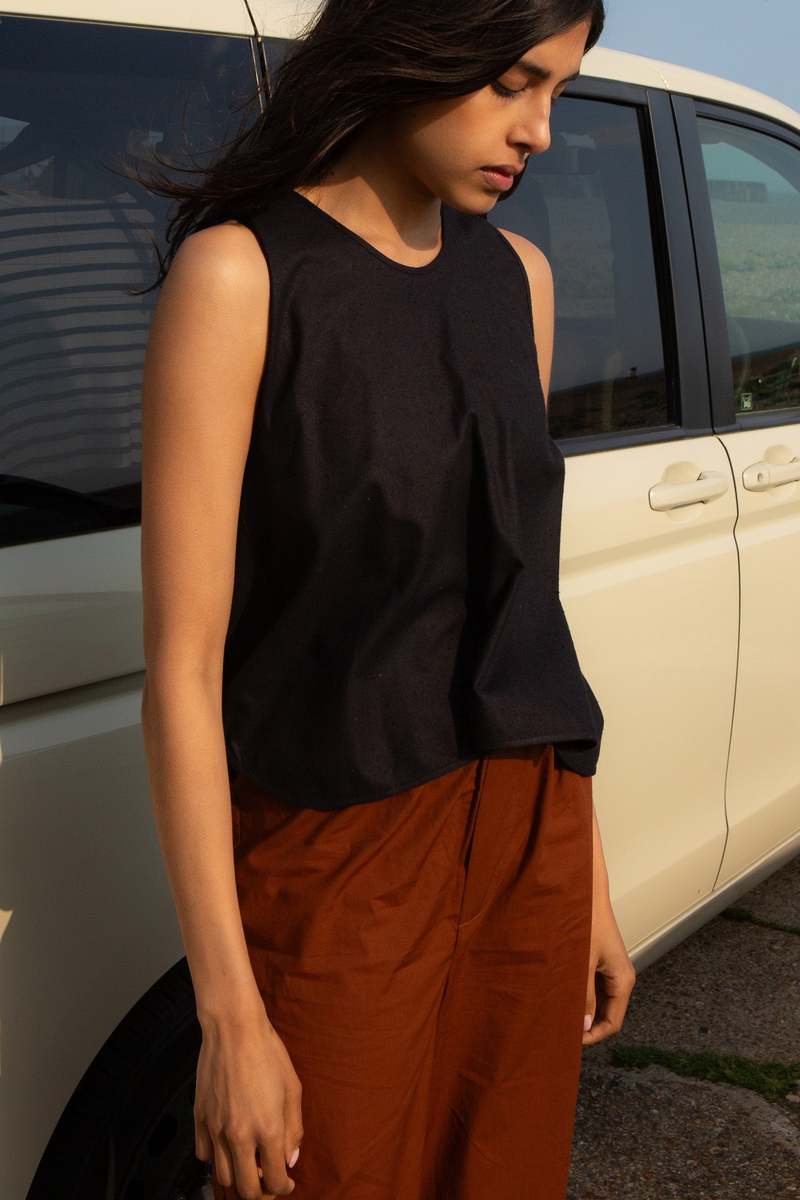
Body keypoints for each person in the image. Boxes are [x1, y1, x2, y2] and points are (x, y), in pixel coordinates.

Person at [138, 2, 637, 1197]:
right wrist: (231, 1017)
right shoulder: (242, 272)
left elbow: (520, 611)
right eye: (513, 81)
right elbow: (182, 671)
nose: (539, 130)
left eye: (558, 92)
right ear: (416, 43)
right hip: (338, 850)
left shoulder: (517, 279)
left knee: (504, 1170)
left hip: (528, 832)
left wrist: (589, 889)